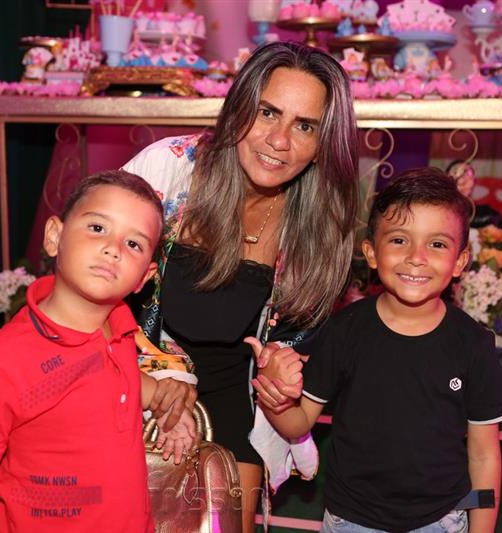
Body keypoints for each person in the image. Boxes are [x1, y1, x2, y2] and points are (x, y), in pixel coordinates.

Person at [122, 41, 359, 531]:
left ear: (324, 143)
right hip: (128, 375)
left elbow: (292, 347)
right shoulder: (169, 169)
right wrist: (156, 384)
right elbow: (88, 289)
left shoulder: (318, 225)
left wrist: (282, 371)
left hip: (235, 404)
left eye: (305, 126)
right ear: (238, 108)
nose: (279, 140)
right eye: (267, 112)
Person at [253, 167, 502, 533]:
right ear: (372, 252)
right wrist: (274, 398)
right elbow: (298, 423)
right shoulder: (345, 331)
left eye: (437, 244)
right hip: (351, 520)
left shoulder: (473, 344)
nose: (417, 257)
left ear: (459, 261)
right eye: (399, 240)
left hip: (441, 521)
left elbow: (485, 455)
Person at [0, 170, 198, 533]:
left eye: (133, 244)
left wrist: (166, 398)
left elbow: (116, 380)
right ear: (54, 237)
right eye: (97, 228)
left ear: (144, 277)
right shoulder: (2, 360)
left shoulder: (122, 331)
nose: (113, 249)